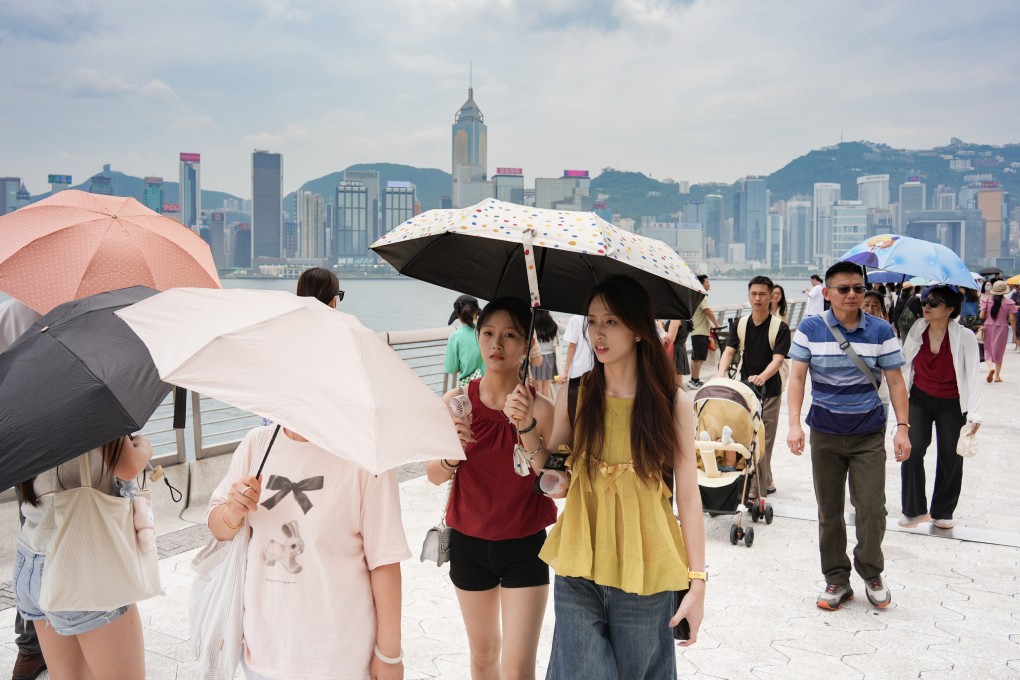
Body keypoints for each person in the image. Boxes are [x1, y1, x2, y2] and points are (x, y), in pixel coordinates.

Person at [505, 275, 706, 679]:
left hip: (647, 567)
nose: (598, 333)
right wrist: (525, 425)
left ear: (638, 328)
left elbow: (687, 496)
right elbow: (554, 478)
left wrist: (697, 582)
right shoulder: (576, 392)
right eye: (592, 321)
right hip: (579, 561)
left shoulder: (672, 403)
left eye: (611, 321)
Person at [208, 424, 409, 680]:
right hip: (263, 651)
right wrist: (232, 511)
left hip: (339, 657)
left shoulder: (367, 458)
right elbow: (219, 529)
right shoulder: (256, 445)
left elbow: (385, 560)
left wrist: (389, 654)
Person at [427, 297, 557, 680]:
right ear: (478, 337)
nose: (496, 344)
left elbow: (555, 485)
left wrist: (526, 426)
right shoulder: (456, 404)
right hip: (469, 544)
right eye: (488, 333)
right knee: (483, 657)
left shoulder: (542, 409)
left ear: (526, 345)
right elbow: (434, 474)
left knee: (518, 667)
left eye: (510, 335)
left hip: (525, 546)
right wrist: (454, 453)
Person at [787, 261, 912, 611]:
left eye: (858, 288)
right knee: (829, 510)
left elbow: (896, 381)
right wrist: (794, 424)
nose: (852, 294)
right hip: (824, 433)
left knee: (872, 508)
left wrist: (903, 428)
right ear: (827, 293)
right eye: (843, 289)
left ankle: (871, 571)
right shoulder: (810, 328)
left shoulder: (881, 330)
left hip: (867, 433)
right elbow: (796, 378)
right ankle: (836, 578)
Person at [13, 435, 155, 680]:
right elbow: (128, 466)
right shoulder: (91, 411)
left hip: (32, 558)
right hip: (83, 561)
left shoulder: (21, 413)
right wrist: (144, 445)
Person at [898, 285, 982, 530]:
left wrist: (975, 413)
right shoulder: (917, 328)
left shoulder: (964, 336)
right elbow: (905, 362)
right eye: (925, 301)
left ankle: (943, 511)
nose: (927, 306)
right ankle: (913, 510)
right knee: (912, 448)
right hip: (919, 398)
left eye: (934, 303)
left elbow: (973, 375)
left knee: (950, 455)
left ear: (950, 309)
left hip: (953, 402)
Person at [0, 298, 47, 680]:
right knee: (35, 542)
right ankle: (32, 646)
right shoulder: (14, 314)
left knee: (35, 541)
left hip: (31, 445)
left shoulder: (10, 313)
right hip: (37, 445)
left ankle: (34, 648)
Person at [716, 277, 791, 497]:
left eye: (762, 294)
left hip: (770, 391)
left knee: (763, 440)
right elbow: (729, 351)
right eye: (754, 294)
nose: (757, 298)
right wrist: (720, 375)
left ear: (771, 297)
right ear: (749, 295)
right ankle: (766, 480)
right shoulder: (740, 324)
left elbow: (778, 359)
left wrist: (763, 376)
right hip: (746, 390)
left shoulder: (780, 328)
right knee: (747, 436)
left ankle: (757, 489)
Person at [861, 291, 893, 417]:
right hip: (853, 400)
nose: (870, 309)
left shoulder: (885, 332)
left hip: (879, 396)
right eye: (866, 305)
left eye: (875, 306)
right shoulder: (847, 331)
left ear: (881, 311)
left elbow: (892, 373)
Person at [979, 280, 1018, 382]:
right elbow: (1012, 319)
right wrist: (1014, 334)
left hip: (988, 327)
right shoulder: (1009, 303)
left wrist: (987, 314)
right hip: (1002, 328)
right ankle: (997, 376)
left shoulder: (987, 300)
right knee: (999, 351)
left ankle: (990, 368)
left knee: (987, 350)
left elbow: (981, 316)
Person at [445, 294, 485, 387]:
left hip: (468, 389)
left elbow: (451, 369)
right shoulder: (488, 332)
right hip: (491, 386)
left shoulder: (455, 336)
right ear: (476, 312)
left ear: (458, 315)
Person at [688, 274, 719, 389]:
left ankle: (694, 379)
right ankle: (694, 381)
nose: (709, 284)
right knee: (698, 358)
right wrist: (716, 324)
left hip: (698, 331)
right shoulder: (701, 296)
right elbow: (708, 311)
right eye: (707, 282)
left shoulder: (697, 296)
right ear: (701, 284)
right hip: (699, 332)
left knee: (697, 357)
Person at [557, 314, 595, 385]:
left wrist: (565, 371)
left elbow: (572, 347)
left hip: (578, 370)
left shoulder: (575, 319)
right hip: (595, 369)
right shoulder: (597, 318)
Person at [530, 309, 559, 399]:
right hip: (551, 359)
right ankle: (550, 408)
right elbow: (567, 330)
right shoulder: (554, 325)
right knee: (546, 390)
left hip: (538, 358)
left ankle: (540, 408)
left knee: (538, 390)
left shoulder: (532, 326)